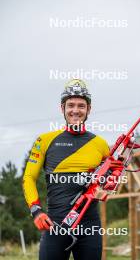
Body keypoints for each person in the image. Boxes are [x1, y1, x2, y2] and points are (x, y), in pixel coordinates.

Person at [23, 79, 120, 260]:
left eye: (81, 106)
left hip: (90, 226)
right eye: (71, 105)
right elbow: (29, 177)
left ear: (88, 109)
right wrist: (36, 210)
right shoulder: (44, 140)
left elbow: (110, 185)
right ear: (62, 108)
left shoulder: (100, 144)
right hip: (55, 224)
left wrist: (113, 178)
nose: (76, 110)